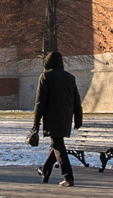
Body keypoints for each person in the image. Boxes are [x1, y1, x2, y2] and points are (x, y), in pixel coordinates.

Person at [29, 50, 83, 185]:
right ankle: (45, 170)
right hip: (66, 118)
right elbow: (77, 100)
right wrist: (78, 118)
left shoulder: (45, 76)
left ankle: (68, 177)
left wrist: (36, 123)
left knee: (58, 146)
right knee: (56, 143)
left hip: (52, 117)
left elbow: (40, 102)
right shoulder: (70, 77)